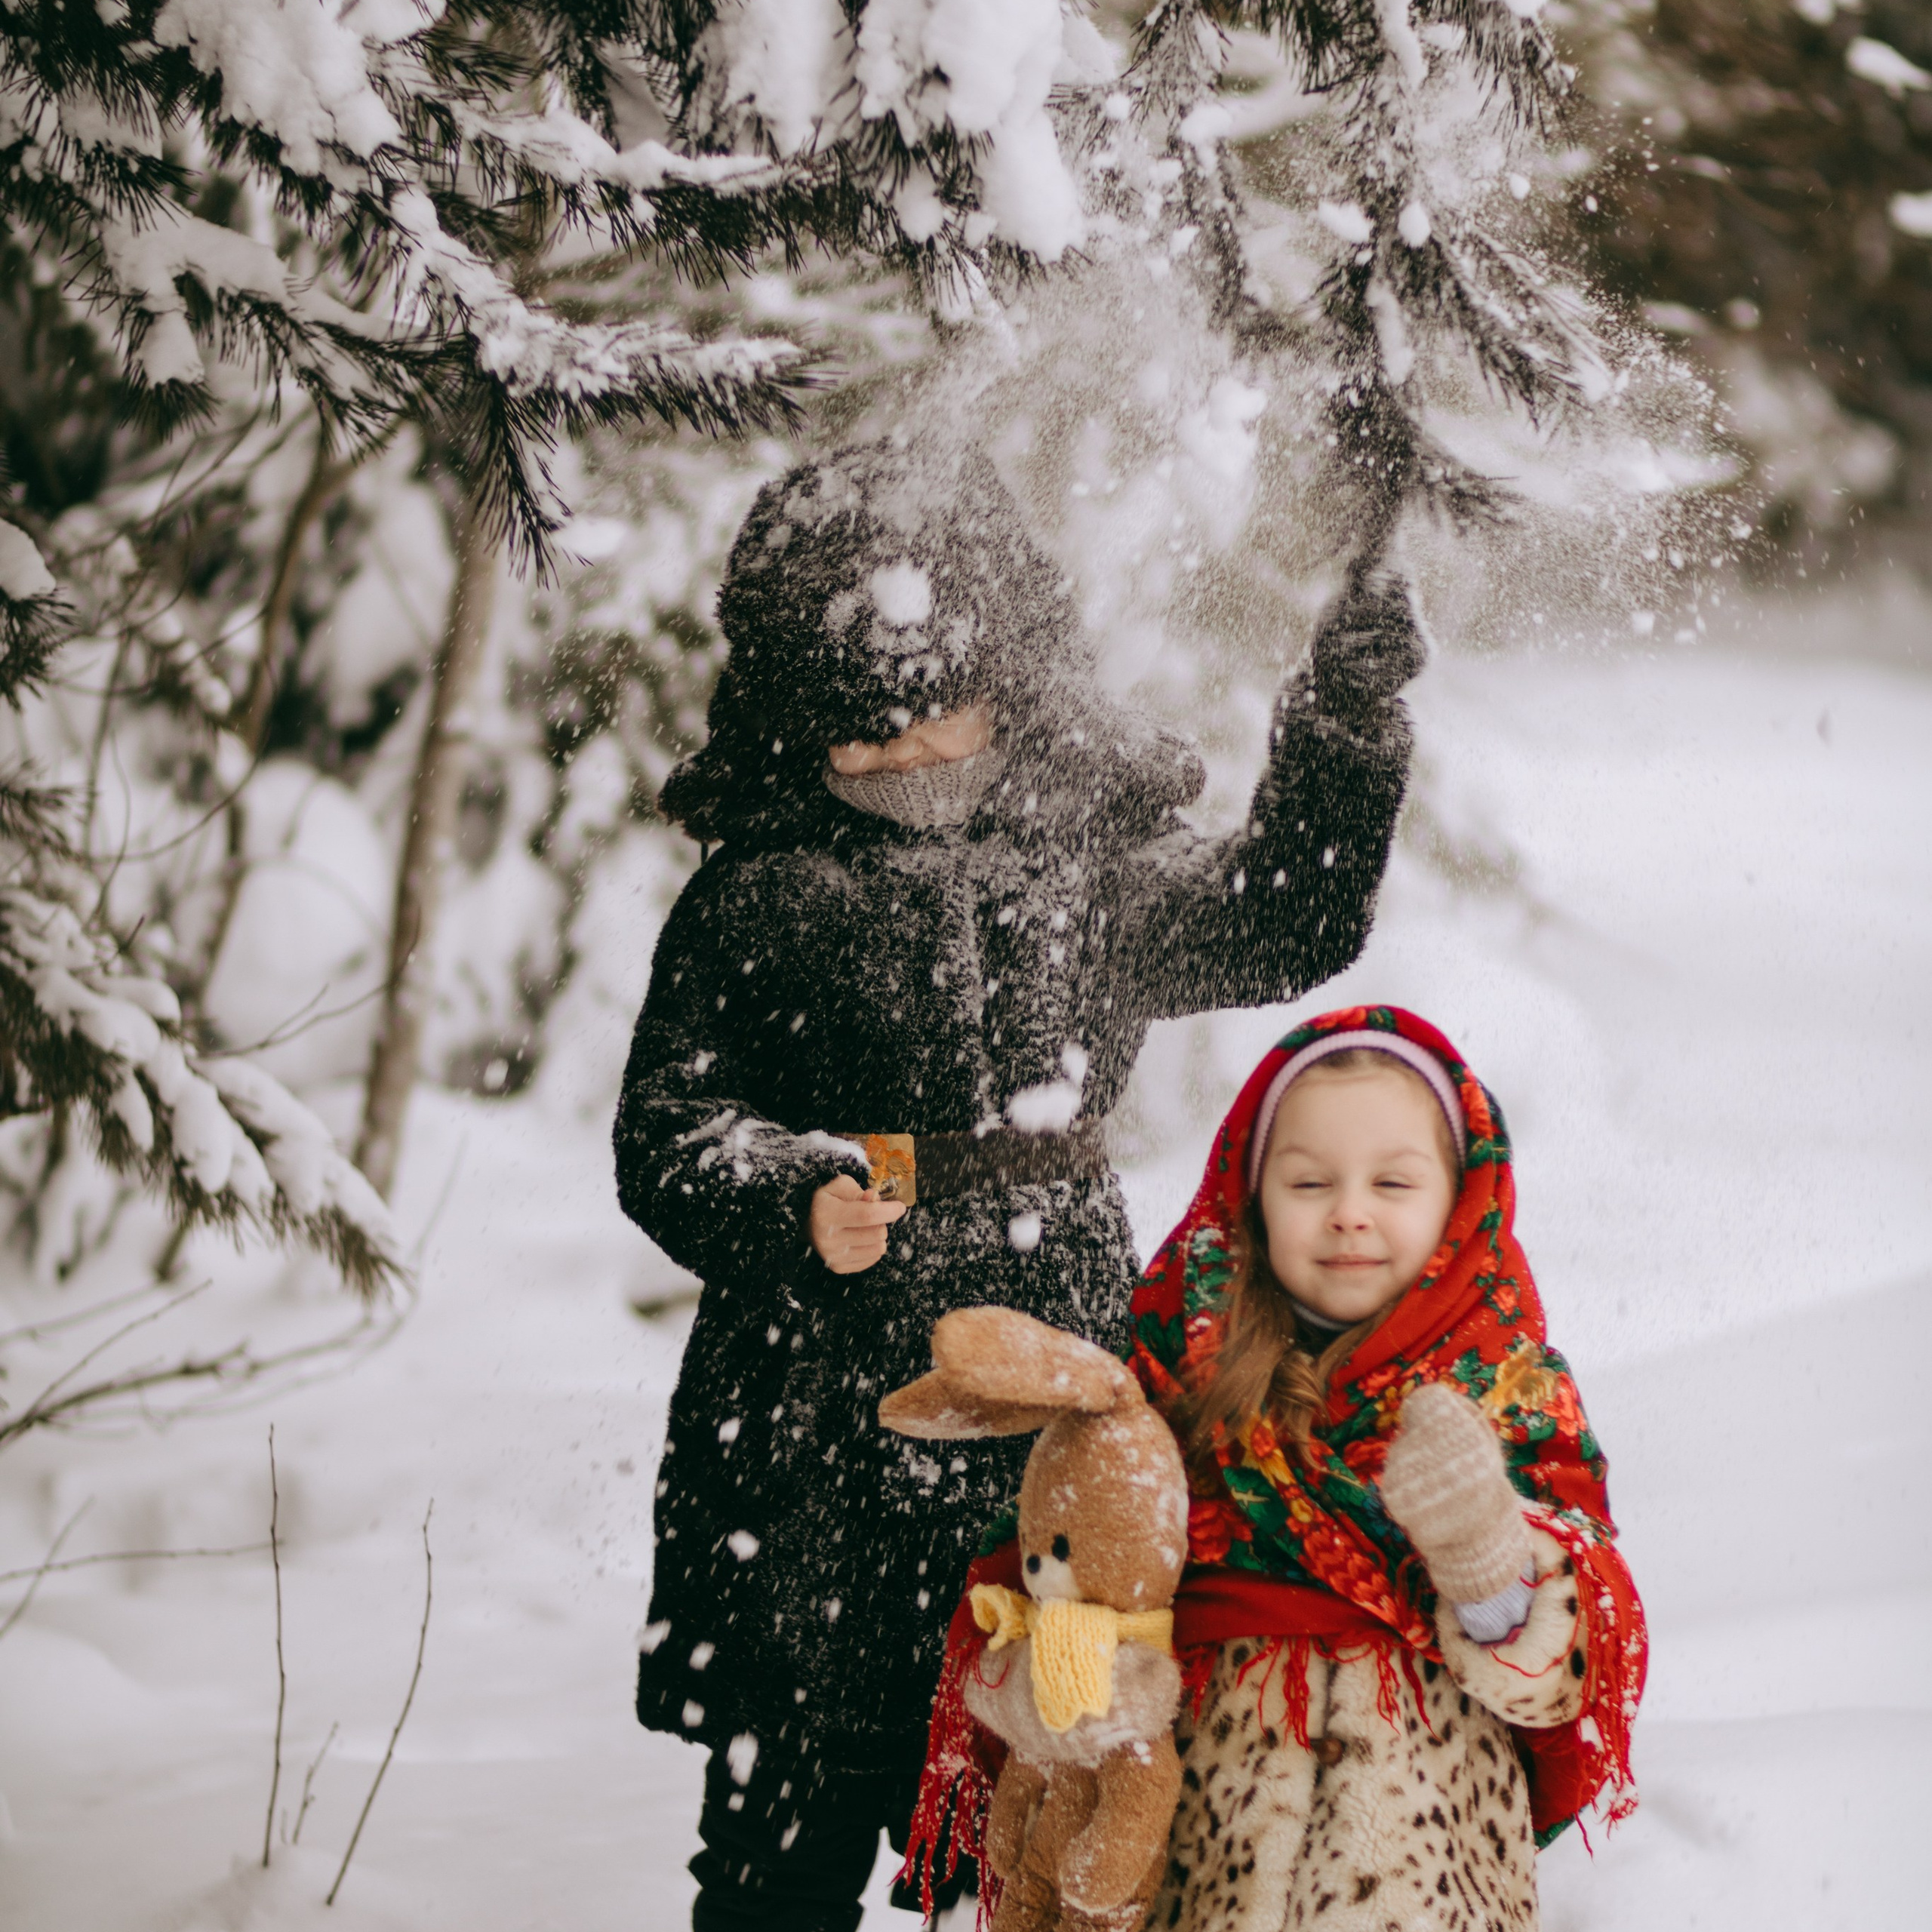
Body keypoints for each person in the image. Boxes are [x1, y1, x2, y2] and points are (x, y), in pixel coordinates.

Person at [613, 439, 1423, 1932]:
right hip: (810, 1441)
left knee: (1054, 1793)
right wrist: (788, 1189)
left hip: (1058, 1440)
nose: (910, 764)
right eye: (864, 742)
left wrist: (1341, 729)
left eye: (942, 725)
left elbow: (1282, 910)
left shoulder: (1082, 861)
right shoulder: (757, 894)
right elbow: (667, 1124)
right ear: (798, 720)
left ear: (1013, 676)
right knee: (786, 1817)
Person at [905, 1008, 1646, 1930]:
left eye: (1393, 1181)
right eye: (1308, 1180)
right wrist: (1067, 1684)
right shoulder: (1168, 1370)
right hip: (1192, 1854)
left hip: (1418, 1864)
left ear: (1459, 1199)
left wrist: (1486, 1566)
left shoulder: (1507, 1385)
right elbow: (1040, 1575)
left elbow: (1573, 1677)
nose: (1349, 1210)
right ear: (1253, 1191)